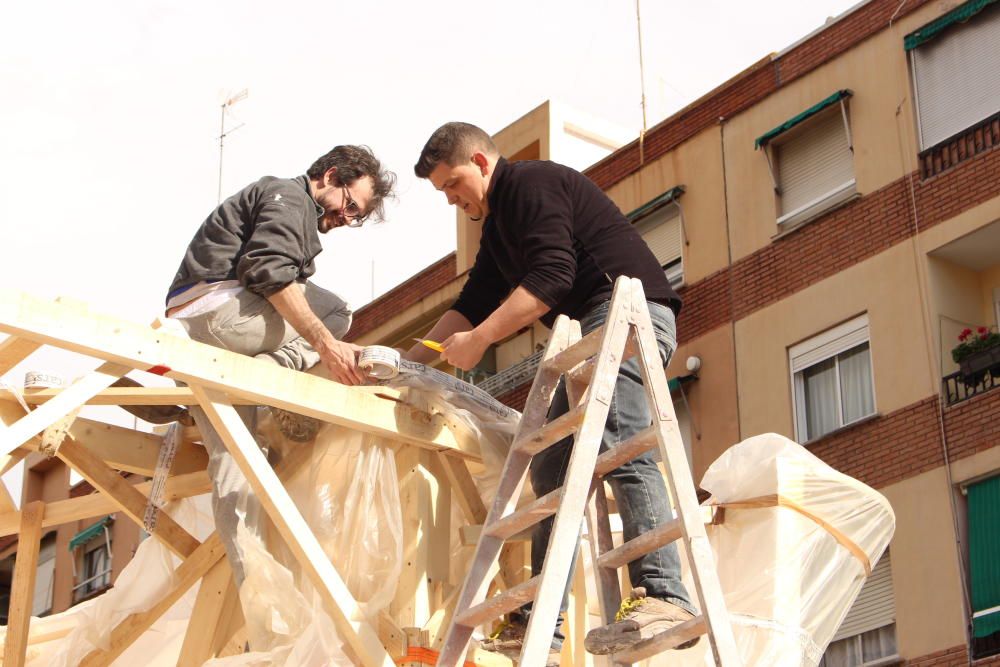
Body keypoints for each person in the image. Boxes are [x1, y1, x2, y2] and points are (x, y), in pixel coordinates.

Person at [407, 123, 697, 663]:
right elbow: (469, 306)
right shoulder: (497, 230)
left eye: (452, 184)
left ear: (480, 160)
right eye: (442, 192)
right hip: (596, 328)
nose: (450, 198)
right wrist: (406, 362)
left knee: (620, 441)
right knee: (551, 470)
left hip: (629, 315)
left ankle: (664, 596)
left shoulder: (531, 186)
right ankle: (543, 617)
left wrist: (480, 341)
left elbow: (551, 277)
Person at [164, 144, 395, 585]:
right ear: (329, 176)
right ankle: (273, 370)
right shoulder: (289, 198)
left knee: (237, 461)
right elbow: (271, 273)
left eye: (357, 216)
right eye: (350, 206)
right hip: (223, 312)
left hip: (204, 336)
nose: (348, 219)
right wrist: (326, 346)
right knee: (338, 312)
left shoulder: (284, 205)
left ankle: (257, 591)